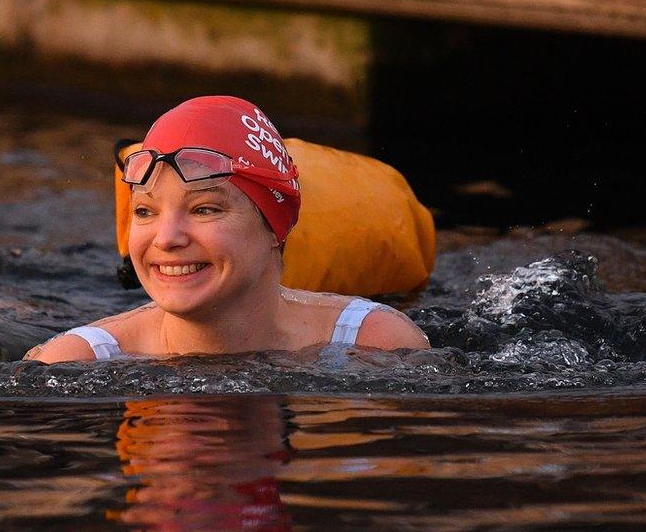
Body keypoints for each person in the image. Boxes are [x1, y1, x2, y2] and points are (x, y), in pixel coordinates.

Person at [25, 96, 429, 364]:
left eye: (204, 209)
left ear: (275, 225)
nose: (166, 238)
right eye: (146, 211)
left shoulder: (378, 343)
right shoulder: (74, 362)